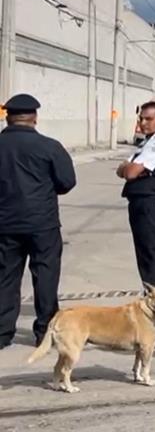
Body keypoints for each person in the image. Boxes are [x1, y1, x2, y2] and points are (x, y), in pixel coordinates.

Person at [0, 94, 76, 350]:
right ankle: (45, 331)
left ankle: (2, 332)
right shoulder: (50, 146)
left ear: (7, 117)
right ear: (34, 117)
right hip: (42, 223)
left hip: (5, 223)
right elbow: (67, 182)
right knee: (45, 275)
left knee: (6, 277)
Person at [117, 101, 155, 288]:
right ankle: (152, 300)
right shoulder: (148, 140)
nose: (143, 123)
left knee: (152, 258)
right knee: (144, 257)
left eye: (148, 119)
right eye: (141, 118)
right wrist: (130, 168)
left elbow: (130, 172)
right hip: (141, 204)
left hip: (151, 205)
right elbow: (122, 169)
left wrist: (131, 169)